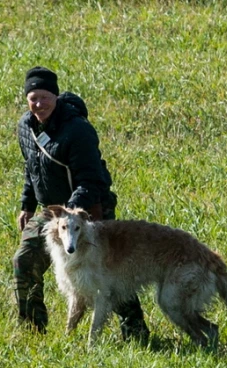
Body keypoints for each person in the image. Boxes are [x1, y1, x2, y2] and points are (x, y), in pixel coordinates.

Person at [12, 66, 150, 339]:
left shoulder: (78, 131)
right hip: (52, 211)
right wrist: (27, 204)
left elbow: (92, 179)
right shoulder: (25, 127)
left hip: (87, 210)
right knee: (25, 260)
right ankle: (32, 330)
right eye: (33, 98)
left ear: (56, 96)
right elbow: (32, 168)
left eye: (44, 97)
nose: (38, 104)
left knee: (107, 272)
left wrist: (72, 212)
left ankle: (135, 332)